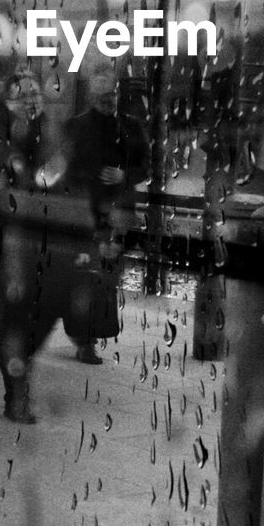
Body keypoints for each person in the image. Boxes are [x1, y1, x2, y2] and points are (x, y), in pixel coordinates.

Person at [0, 71, 54, 424]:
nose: (32, 100)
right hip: (8, 241)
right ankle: (16, 397)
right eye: (24, 96)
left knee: (33, 316)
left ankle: (19, 382)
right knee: (16, 317)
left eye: (36, 93)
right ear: (9, 102)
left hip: (41, 239)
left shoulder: (44, 132)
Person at [59, 70, 150, 364]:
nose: (108, 101)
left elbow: (146, 166)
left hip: (118, 212)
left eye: (111, 95)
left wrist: (125, 175)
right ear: (91, 97)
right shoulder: (74, 128)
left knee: (106, 278)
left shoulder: (131, 127)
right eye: (102, 97)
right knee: (87, 275)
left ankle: (90, 334)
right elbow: (63, 169)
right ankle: (85, 338)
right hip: (85, 212)